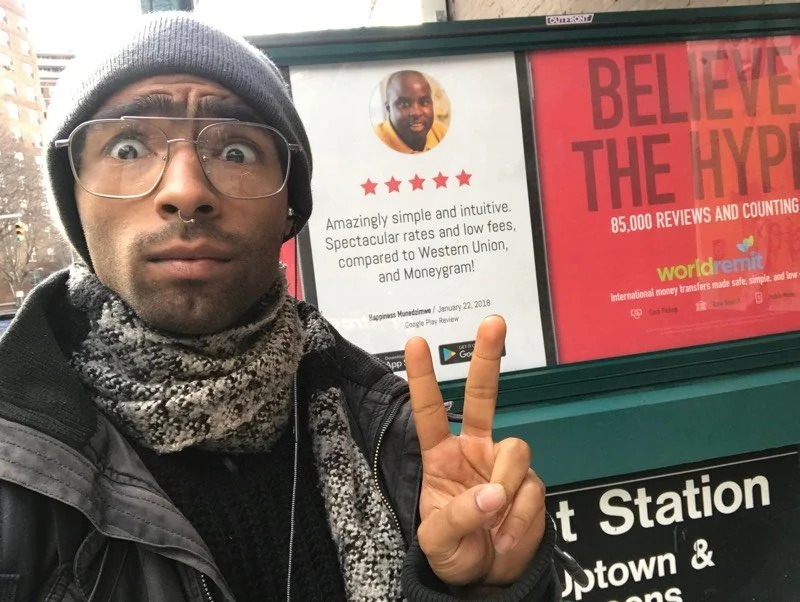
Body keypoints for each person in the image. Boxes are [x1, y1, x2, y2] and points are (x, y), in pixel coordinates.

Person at [0, 11, 563, 601]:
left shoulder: (391, 441)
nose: (186, 190)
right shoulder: (18, 476)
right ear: (75, 199)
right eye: (129, 145)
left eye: (236, 151)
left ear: (287, 212)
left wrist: (488, 587)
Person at [374, 70, 449, 154]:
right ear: (388, 109)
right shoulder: (374, 144)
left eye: (424, 102)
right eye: (404, 104)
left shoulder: (441, 132)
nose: (416, 113)